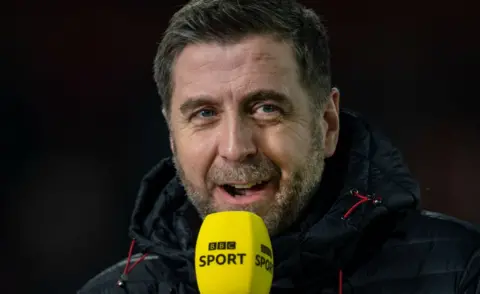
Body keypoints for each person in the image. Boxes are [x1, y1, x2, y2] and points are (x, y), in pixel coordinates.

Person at [78, 0, 480, 293]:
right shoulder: (113, 291)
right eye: (204, 114)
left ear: (327, 123)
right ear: (172, 136)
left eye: (266, 108)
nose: (236, 148)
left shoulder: (460, 272)